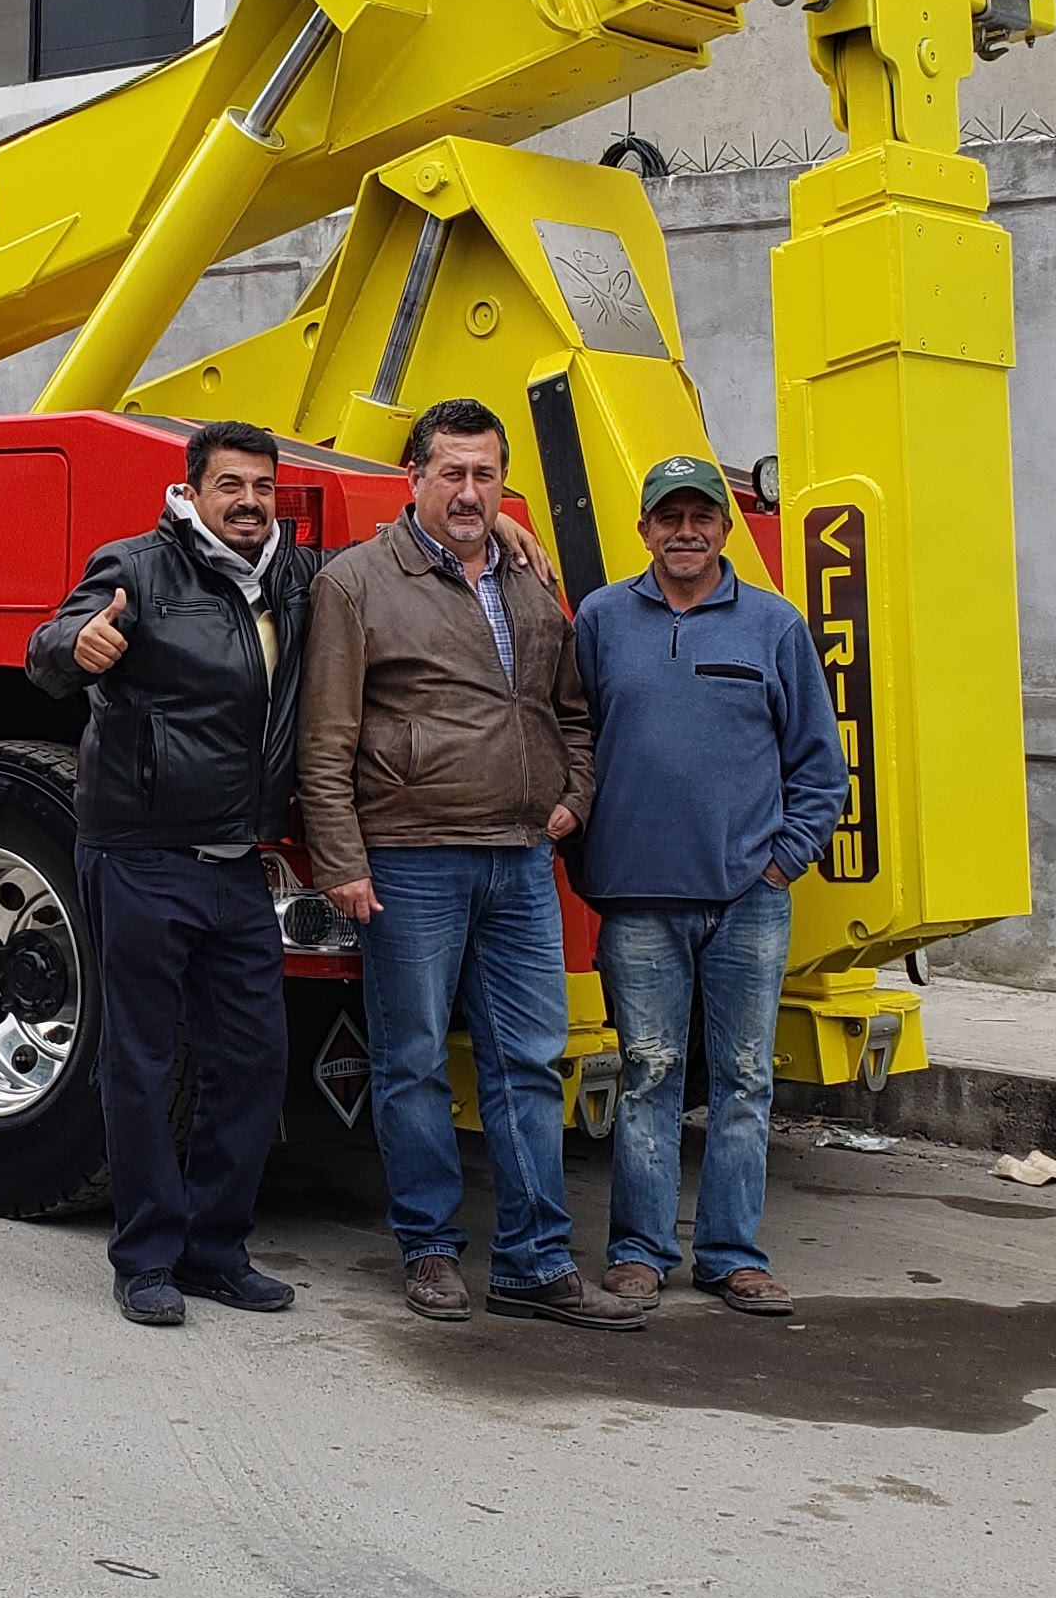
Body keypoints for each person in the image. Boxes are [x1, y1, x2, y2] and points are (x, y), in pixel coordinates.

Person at [295, 399, 637, 1330]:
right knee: (409, 1063)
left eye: (485, 474)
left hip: (521, 859)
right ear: (413, 478)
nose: (468, 491)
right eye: (451, 472)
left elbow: (570, 711)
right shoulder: (356, 583)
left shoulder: (529, 581)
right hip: (409, 862)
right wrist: (342, 861)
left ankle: (534, 1261)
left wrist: (574, 799)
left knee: (527, 1064)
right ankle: (430, 1250)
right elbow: (324, 738)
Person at [27, 419, 315, 1326]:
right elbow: (47, 647)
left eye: (263, 487)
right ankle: (146, 1258)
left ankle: (216, 1250)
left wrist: (494, 529)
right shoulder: (136, 567)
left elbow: (396, 561)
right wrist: (80, 650)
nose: (249, 502)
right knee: (142, 1063)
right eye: (230, 485)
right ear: (191, 493)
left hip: (240, 865)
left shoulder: (297, 578)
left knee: (256, 1061)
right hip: (142, 854)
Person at [569, 454, 848, 1317]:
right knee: (649, 1074)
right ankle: (640, 1253)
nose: (684, 533)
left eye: (702, 518)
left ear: (724, 529)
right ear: (644, 527)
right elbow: (572, 744)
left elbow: (820, 766)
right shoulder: (603, 620)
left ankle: (732, 1256)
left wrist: (779, 861)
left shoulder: (772, 625)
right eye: (668, 518)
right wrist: (592, 867)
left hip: (748, 899)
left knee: (743, 1079)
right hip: (638, 899)